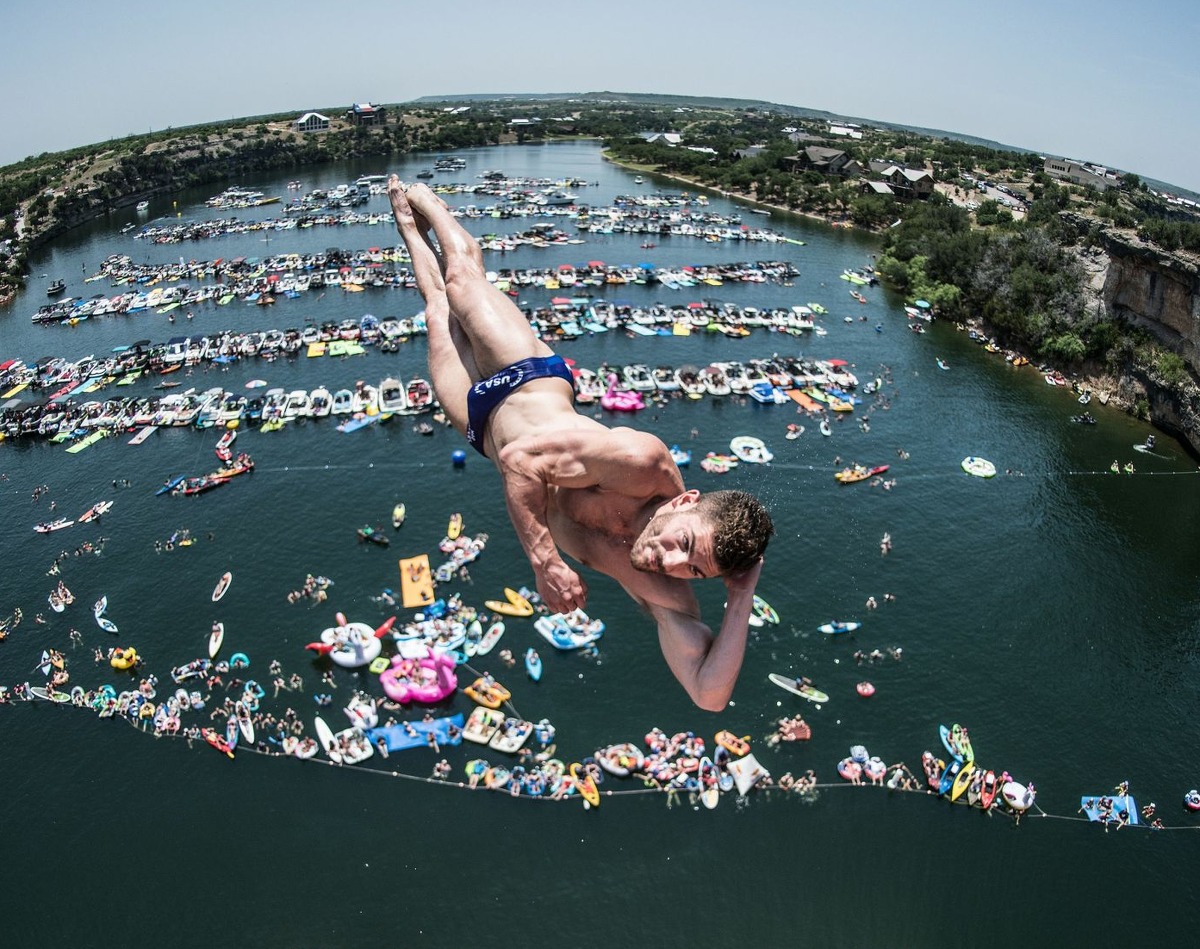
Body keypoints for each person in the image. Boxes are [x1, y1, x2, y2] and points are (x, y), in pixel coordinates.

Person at [388, 178, 774, 710]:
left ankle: (407, 225)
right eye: (684, 545)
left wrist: (741, 597)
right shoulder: (642, 465)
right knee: (459, 276)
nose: (671, 563)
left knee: (436, 309)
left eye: (695, 571)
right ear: (685, 501)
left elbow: (708, 695)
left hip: (483, 429)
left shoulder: (662, 590)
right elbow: (522, 460)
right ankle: (427, 200)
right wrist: (545, 562)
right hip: (524, 377)